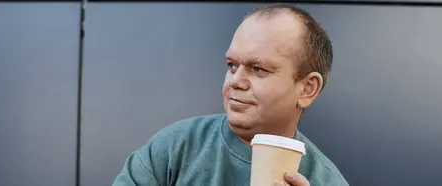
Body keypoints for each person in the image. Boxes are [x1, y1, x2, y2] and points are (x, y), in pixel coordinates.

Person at [112, 3, 348, 186]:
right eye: (232, 65)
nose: (236, 81)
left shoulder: (327, 181)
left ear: (307, 89)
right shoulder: (173, 149)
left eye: (259, 69)